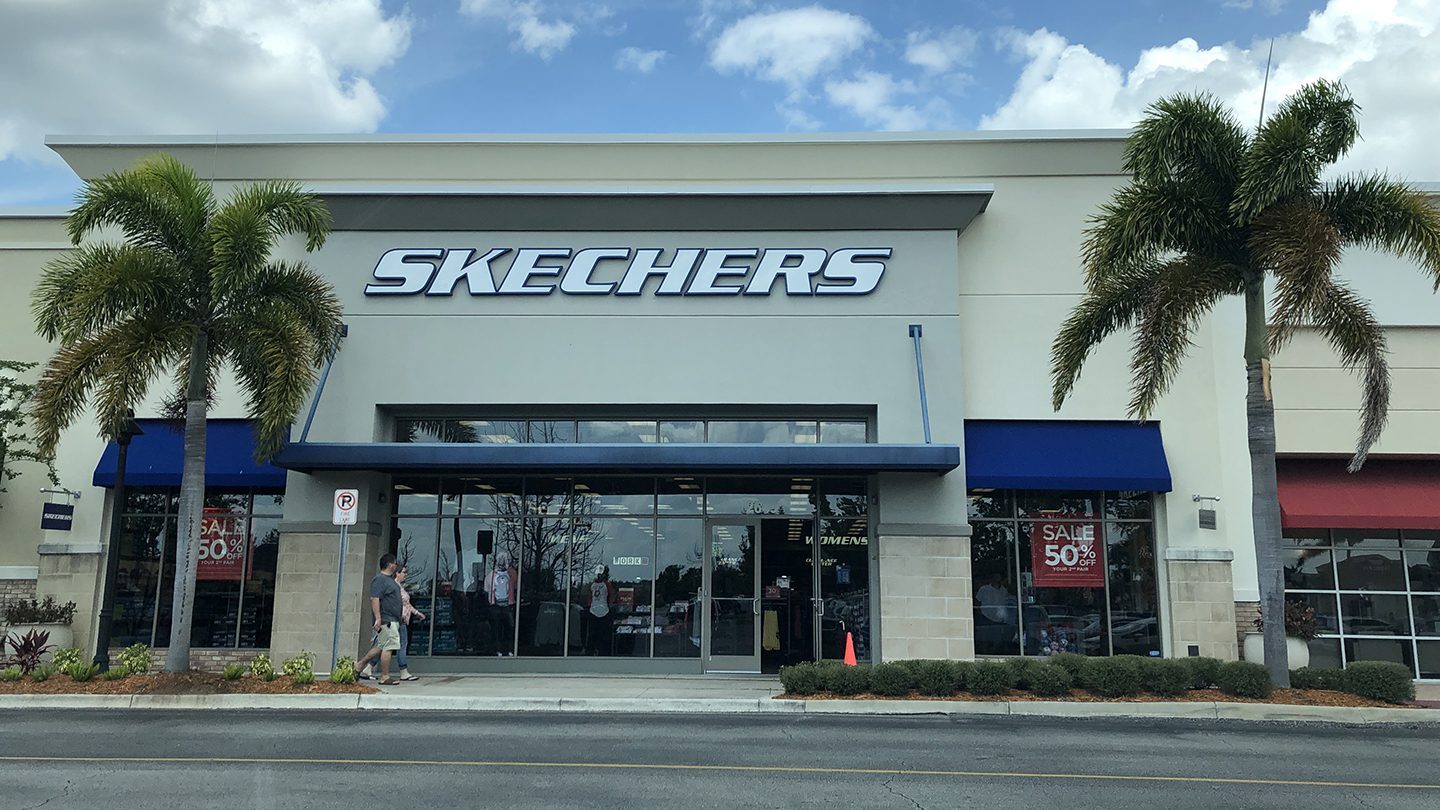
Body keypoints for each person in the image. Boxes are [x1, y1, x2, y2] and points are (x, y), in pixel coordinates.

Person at [356, 553, 404, 685]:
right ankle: (385, 676)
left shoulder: (389, 580)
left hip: (393, 619)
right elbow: (375, 598)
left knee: (380, 647)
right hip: (387, 620)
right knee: (388, 647)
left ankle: (359, 666)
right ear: (389, 565)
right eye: (394, 563)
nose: (396, 565)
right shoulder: (380, 580)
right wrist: (378, 618)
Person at [394, 564, 426, 681]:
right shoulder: (394, 587)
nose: (406, 575)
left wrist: (417, 613)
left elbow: (407, 605)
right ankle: (403, 671)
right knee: (401, 645)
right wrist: (400, 615)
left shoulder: (400, 587)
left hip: (402, 620)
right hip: (398, 620)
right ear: (397, 573)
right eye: (403, 572)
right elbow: (394, 603)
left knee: (384, 645)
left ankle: (368, 667)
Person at [485, 552, 517, 656]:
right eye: (500, 560)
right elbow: (487, 588)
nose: (502, 563)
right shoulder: (491, 575)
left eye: (505, 560)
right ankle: (498, 650)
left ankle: (510, 650)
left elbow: (516, 586)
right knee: (497, 629)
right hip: (496, 606)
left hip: (508, 605)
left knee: (510, 629)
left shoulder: (512, 573)